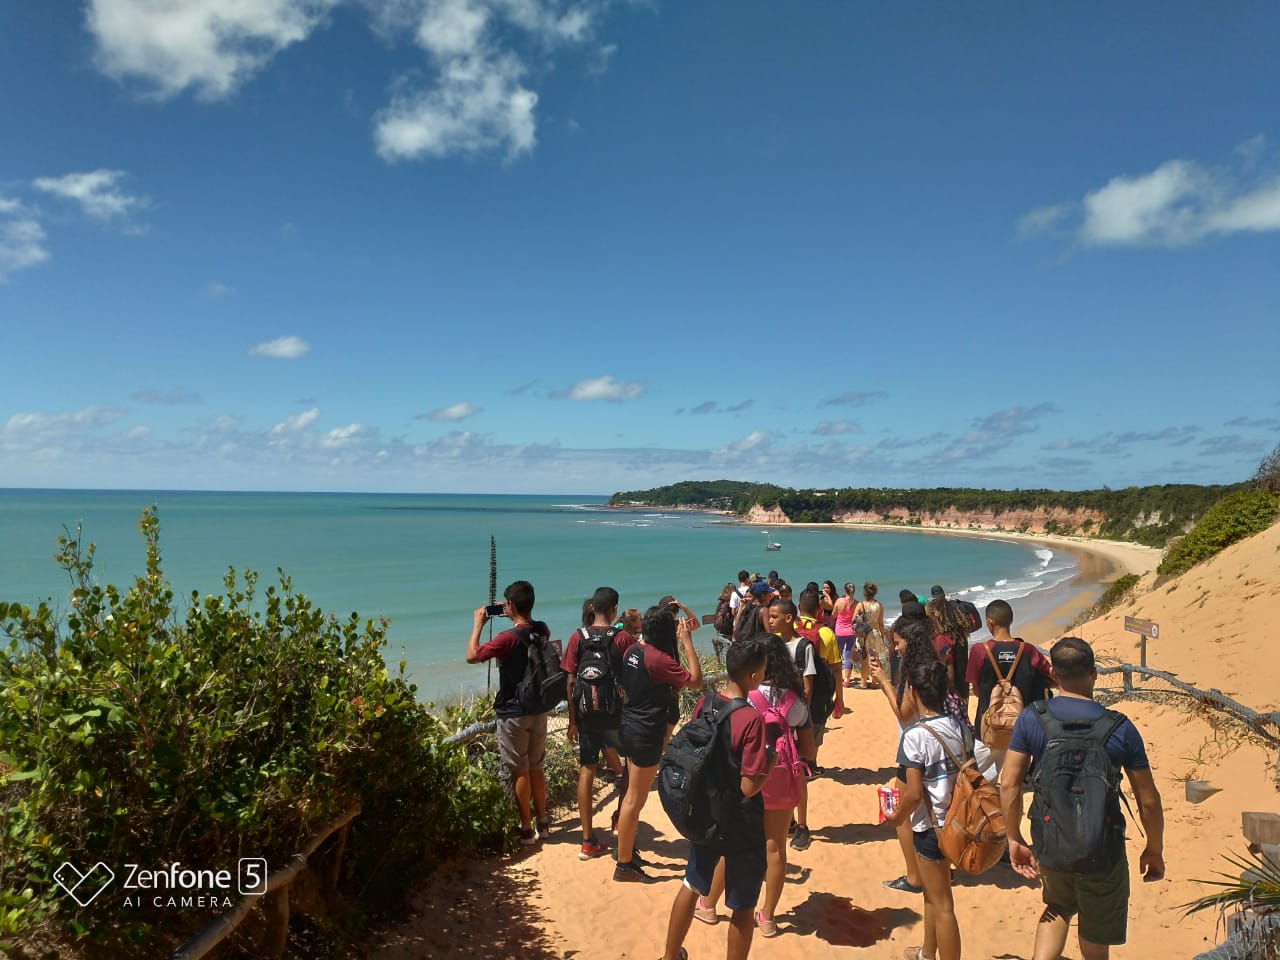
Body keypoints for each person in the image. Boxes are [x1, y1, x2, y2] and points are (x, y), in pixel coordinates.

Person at [1002, 637, 1165, 960]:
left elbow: (1009, 784)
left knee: (1057, 906)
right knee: (1095, 935)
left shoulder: (1032, 718)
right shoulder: (1120, 728)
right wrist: (1154, 848)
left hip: (1051, 843)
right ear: (1094, 674)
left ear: (1053, 674)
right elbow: (1148, 801)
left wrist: (1014, 837)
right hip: (1102, 848)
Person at [660, 637, 772, 960]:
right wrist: (771, 764)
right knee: (743, 905)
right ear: (753, 676)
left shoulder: (705, 703)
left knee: (691, 883)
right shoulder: (751, 719)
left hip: (706, 815)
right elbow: (749, 786)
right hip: (740, 823)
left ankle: (669, 956)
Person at [696, 635, 815, 937]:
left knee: (731, 844)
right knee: (775, 848)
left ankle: (708, 904)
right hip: (782, 780)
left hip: (748, 779)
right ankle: (769, 917)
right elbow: (809, 750)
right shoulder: (794, 701)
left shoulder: (746, 696)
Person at [883, 658, 970, 960]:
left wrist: (896, 817)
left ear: (913, 692)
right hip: (959, 819)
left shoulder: (915, 736)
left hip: (931, 826)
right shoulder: (959, 727)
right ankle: (927, 952)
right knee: (933, 895)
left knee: (943, 904)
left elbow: (913, 793)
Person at [615, 606, 703, 882]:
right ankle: (624, 865)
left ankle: (626, 853)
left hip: (629, 725)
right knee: (634, 800)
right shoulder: (658, 659)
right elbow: (696, 681)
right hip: (645, 732)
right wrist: (687, 643)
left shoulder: (633, 650)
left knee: (631, 795)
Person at [464, 579, 551, 845]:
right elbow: (526, 628)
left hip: (513, 711)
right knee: (536, 767)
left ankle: (526, 829)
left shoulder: (507, 639)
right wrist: (513, 613)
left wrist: (478, 625)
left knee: (520, 770)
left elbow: (472, 655)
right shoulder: (542, 629)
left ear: (509, 605)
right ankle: (543, 823)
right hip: (538, 708)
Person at [869, 615, 943, 894]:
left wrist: (884, 682)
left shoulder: (915, 674)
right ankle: (937, 864)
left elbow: (903, 713)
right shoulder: (933, 666)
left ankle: (914, 877)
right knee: (934, 809)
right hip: (937, 745)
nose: (896, 648)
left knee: (901, 812)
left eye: (898, 643)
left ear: (910, 643)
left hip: (916, 747)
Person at [561, 586, 637, 860]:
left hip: (586, 716)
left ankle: (587, 840)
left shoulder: (577, 637)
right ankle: (618, 818)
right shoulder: (623, 638)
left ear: (592, 607)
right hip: (616, 715)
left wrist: (572, 720)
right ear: (615, 609)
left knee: (587, 769)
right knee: (629, 767)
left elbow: (570, 682)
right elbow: (633, 676)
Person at [965, 599, 1055, 777]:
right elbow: (1051, 676)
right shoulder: (1028, 650)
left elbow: (976, 690)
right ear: (1011, 620)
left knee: (978, 777)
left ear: (990, 621)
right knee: (1015, 778)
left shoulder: (979, 650)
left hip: (988, 724)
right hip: (1020, 724)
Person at [767, 598, 817, 852]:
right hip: (773, 718)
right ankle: (789, 819)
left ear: (788, 618)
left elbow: (807, 688)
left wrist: (796, 716)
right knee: (778, 770)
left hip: (794, 717)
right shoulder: (771, 644)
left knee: (797, 771)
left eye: (774, 616)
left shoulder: (803, 646)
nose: (770, 620)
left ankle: (802, 825)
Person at [798, 588, 844, 722]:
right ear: (819, 609)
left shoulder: (789, 628)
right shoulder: (826, 632)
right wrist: (839, 699)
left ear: (799, 607)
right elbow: (836, 669)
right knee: (815, 732)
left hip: (793, 693)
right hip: (818, 695)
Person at [927, 585, 973, 702]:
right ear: (944, 595)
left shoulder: (941, 637)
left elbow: (948, 665)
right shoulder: (956, 612)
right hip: (963, 675)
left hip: (948, 682)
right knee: (963, 699)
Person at [853, 581, 887, 689]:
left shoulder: (861, 605)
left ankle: (863, 683)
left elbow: (853, 620)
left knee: (864, 658)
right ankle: (874, 682)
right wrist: (882, 636)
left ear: (864, 592)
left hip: (864, 634)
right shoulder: (879, 605)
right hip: (875, 633)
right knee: (875, 658)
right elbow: (881, 623)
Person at [833, 581, 859, 688]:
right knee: (848, 656)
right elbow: (858, 618)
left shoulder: (839, 601)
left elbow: (833, 615)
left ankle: (837, 677)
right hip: (851, 632)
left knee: (837, 655)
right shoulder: (857, 603)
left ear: (844, 590)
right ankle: (847, 680)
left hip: (839, 631)